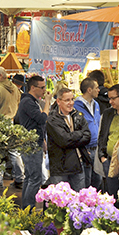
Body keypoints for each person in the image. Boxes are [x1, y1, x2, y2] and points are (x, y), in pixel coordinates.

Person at [15, 75, 52, 209]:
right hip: (30, 145)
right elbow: (42, 119)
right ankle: (28, 209)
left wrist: (42, 140)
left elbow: (36, 124)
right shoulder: (28, 102)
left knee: (31, 177)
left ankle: (26, 209)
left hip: (33, 142)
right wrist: (47, 102)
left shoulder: (30, 101)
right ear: (32, 87)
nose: (44, 90)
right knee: (35, 178)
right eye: (42, 88)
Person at [46, 87, 91, 191]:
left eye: (72, 99)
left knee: (79, 201)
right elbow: (64, 140)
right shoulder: (52, 119)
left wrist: (72, 137)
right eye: (67, 100)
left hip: (78, 165)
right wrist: (80, 133)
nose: (71, 103)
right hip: (60, 168)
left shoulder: (78, 115)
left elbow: (88, 136)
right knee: (61, 202)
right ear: (58, 101)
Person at [96, 84, 119, 196]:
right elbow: (102, 137)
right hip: (108, 161)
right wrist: (102, 157)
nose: (110, 101)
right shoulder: (107, 113)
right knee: (111, 195)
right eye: (109, 98)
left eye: (113, 98)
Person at [74, 77, 102, 188]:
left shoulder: (96, 104)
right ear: (89, 90)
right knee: (86, 181)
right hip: (85, 149)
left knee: (97, 180)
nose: (99, 90)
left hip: (97, 148)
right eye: (96, 88)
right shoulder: (76, 106)